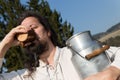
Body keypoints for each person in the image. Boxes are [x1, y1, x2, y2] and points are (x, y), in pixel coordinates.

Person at [0, 11, 120, 80]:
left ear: (48, 31)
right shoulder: (27, 76)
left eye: (34, 28)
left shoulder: (76, 52)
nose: (29, 33)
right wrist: (5, 43)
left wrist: (113, 70)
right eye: (24, 32)